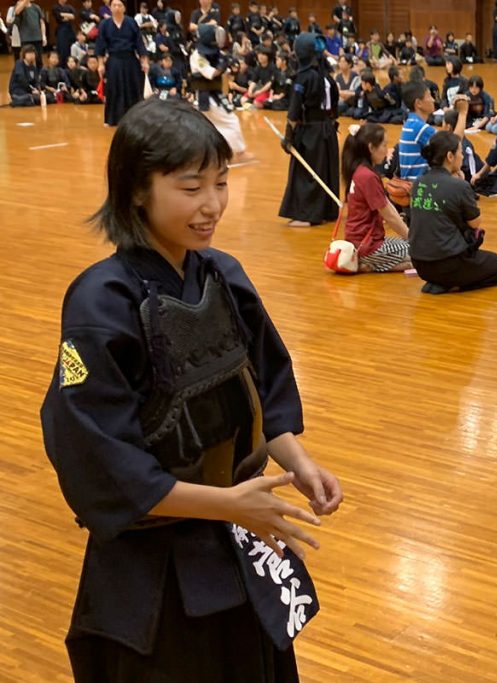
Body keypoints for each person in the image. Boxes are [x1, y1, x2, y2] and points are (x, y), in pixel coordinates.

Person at [40, 97, 343, 682]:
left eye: (222, 183)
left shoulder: (223, 274)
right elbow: (100, 460)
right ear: (135, 190)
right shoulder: (101, 302)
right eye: (191, 187)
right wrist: (229, 505)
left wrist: (299, 464)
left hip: (239, 539)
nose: (212, 206)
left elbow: (264, 390)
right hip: (153, 567)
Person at [409, 132, 497, 295]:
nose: (462, 156)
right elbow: (475, 223)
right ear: (450, 156)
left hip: (419, 263)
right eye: (460, 152)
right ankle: (453, 284)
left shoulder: (418, 182)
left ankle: (440, 282)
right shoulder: (459, 186)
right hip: (448, 263)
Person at [279, 32, 340, 227]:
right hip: (328, 130)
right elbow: (335, 107)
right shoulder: (328, 78)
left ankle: (308, 216)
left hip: (310, 133)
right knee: (325, 171)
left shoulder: (304, 78)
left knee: (308, 173)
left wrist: (288, 136)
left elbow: (294, 111)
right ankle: (327, 212)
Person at [340, 123, 413, 273]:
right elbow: (389, 215)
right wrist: (412, 238)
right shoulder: (367, 176)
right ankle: (370, 264)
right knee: (421, 254)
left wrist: (409, 235)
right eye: (384, 145)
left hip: (362, 241)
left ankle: (368, 263)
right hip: (368, 244)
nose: (388, 150)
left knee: (413, 246)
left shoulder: (361, 171)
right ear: (371, 148)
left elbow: (387, 206)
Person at [191, 25, 254, 162]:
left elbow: (225, 71)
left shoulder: (212, 53)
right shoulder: (197, 56)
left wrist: (228, 64)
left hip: (213, 95)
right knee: (231, 121)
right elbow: (211, 74)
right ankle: (239, 153)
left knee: (213, 126)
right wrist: (222, 65)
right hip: (207, 97)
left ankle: (216, 154)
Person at [399, 80, 469, 181]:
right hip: (419, 186)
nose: (433, 100)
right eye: (429, 96)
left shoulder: (411, 122)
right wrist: (463, 113)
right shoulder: (419, 128)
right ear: (418, 103)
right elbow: (455, 142)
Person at [97, 0, 148, 126]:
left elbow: (139, 43)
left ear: (124, 8)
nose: (117, 8)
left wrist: (144, 61)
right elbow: (100, 46)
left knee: (133, 88)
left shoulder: (131, 22)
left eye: (120, 5)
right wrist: (101, 64)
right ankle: (113, 118)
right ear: (110, 8)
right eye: (114, 5)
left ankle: (134, 118)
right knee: (114, 88)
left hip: (130, 59)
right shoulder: (104, 24)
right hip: (114, 60)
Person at [53, 0, 77, 65]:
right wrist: (68, 15)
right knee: (62, 49)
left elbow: (73, 16)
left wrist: (63, 14)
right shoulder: (55, 7)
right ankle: (62, 66)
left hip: (70, 30)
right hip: (61, 29)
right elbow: (58, 16)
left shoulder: (70, 6)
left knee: (71, 47)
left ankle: (71, 64)